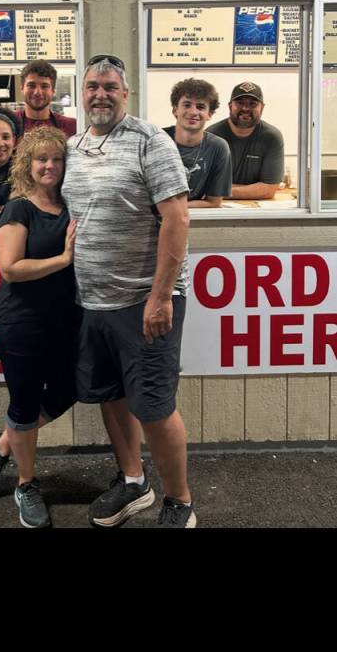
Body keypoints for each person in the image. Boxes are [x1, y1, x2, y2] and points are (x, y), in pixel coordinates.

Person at [62, 55, 196, 529]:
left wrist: (161, 297)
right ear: (82, 92)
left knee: (154, 407)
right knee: (111, 396)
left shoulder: (150, 141)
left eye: (110, 86)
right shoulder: (74, 145)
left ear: (126, 93)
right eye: (93, 86)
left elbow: (177, 219)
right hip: (92, 301)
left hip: (146, 301)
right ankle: (134, 481)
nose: (101, 93)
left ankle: (179, 501)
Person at [0, 126, 78, 529]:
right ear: (27, 165)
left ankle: (0, 444)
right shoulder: (19, 208)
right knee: (24, 402)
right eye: (41, 159)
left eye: (56, 159)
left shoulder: (72, 205)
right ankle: (26, 484)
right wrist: (64, 259)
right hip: (20, 321)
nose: (49, 165)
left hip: (64, 321)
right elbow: (11, 268)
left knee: (72, 388)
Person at [0, 59, 77, 156]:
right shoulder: (7, 123)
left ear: (53, 91)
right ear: (22, 88)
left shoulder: (71, 126)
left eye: (44, 86)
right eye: (31, 85)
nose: (37, 92)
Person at [207, 81, 284, 200]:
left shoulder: (272, 137)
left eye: (253, 104)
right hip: (216, 208)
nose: (245, 108)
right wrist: (253, 189)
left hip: (256, 210)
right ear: (230, 106)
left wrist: (220, 190)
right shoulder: (211, 136)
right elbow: (204, 186)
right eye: (239, 103)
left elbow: (269, 190)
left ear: (262, 107)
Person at [163, 78, 232, 208]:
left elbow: (213, 202)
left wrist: (177, 209)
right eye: (187, 105)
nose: (193, 112)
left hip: (193, 217)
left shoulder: (218, 148)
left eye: (200, 107)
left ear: (209, 114)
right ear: (175, 110)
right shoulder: (156, 140)